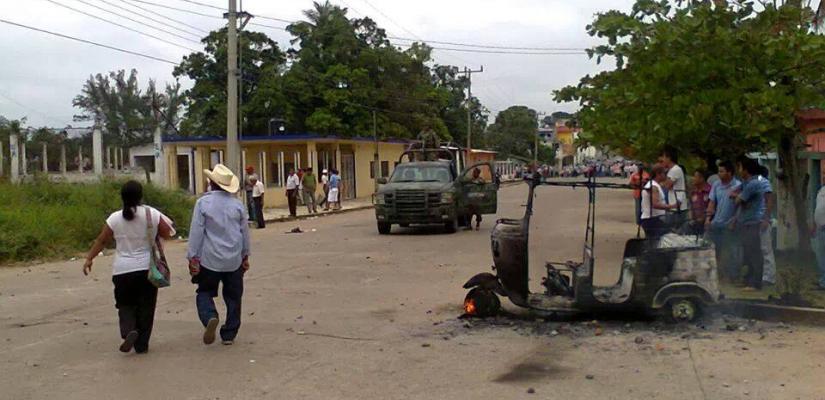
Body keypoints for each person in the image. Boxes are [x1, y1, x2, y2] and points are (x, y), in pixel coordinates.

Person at [82, 181, 175, 353]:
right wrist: (152, 236)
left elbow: (102, 240)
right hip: (146, 270)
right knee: (146, 307)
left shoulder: (115, 218)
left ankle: (128, 330)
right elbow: (167, 232)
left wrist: (89, 258)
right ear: (141, 196)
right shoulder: (151, 214)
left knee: (125, 305)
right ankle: (142, 344)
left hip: (122, 270)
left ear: (122, 197)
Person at [187, 164, 251, 346]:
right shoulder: (238, 205)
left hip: (209, 259)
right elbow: (244, 233)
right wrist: (246, 255)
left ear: (211, 183)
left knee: (204, 292)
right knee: (233, 296)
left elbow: (197, 232)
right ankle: (229, 333)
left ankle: (210, 317)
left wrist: (193, 257)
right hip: (234, 259)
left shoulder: (203, 203)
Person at [705, 161, 742, 282]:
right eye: (718, 171)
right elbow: (712, 202)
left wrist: (735, 220)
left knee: (732, 251)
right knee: (712, 249)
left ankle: (733, 276)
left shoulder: (738, 185)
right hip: (716, 222)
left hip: (730, 224)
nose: (719, 174)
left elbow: (741, 206)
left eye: (721, 171)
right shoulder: (716, 185)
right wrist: (708, 219)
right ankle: (715, 275)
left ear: (729, 173)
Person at [733, 157, 766, 290]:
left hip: (752, 221)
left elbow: (738, 200)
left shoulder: (754, 184)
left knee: (754, 252)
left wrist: (737, 197)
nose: (739, 170)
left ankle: (755, 282)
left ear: (746, 169)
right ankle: (748, 279)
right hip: (745, 221)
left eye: (740, 167)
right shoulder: (746, 183)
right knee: (747, 252)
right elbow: (735, 193)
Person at [640, 165, 679, 240]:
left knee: (654, 242)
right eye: (664, 173)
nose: (665, 176)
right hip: (652, 219)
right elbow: (655, 204)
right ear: (658, 174)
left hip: (651, 219)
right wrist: (672, 206)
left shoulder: (653, 185)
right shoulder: (654, 186)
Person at [658, 146, 689, 226]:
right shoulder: (672, 170)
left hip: (678, 206)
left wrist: (662, 183)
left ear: (669, 157)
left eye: (664, 157)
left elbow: (667, 185)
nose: (662, 159)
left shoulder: (675, 170)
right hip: (674, 205)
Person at [757, 166, 776, 286]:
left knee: (766, 249)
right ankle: (762, 275)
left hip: (763, 220)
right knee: (759, 249)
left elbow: (770, 201)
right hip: (756, 221)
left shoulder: (764, 183)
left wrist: (766, 219)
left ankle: (769, 277)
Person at [689, 169, 711, 236]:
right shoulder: (693, 191)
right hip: (694, 224)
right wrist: (691, 218)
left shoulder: (710, 190)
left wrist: (704, 218)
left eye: (695, 176)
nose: (693, 178)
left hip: (707, 224)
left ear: (702, 179)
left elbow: (712, 206)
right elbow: (691, 206)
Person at [812, 183, 825, 290]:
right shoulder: (821, 191)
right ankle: (823, 282)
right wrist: (814, 224)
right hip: (820, 228)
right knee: (820, 257)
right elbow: (817, 208)